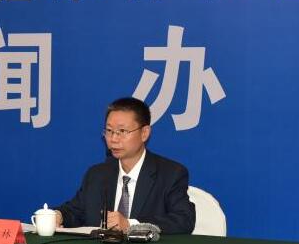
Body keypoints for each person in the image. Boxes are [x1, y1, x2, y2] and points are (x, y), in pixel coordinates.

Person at [55, 97, 195, 234]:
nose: (113, 139)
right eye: (109, 131)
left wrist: (130, 224)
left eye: (122, 131)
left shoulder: (170, 174)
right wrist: (58, 216)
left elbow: (184, 219)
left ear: (144, 133)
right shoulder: (96, 175)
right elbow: (75, 211)